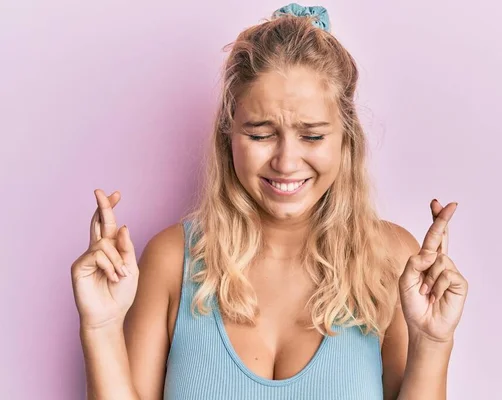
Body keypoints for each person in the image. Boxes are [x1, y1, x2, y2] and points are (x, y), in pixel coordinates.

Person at [71, 4, 468, 399]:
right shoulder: (171, 259)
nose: (286, 162)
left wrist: (433, 342)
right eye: (260, 134)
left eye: (312, 136)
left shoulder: (392, 258)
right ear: (229, 136)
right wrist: (100, 327)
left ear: (346, 139)